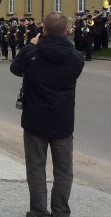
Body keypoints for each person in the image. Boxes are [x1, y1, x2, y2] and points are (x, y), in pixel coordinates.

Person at [10, 12, 84, 217]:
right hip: (63, 120)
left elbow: (15, 69)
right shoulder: (76, 57)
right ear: (66, 32)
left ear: (43, 31)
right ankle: (61, 211)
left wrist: (31, 46)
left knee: (36, 168)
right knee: (64, 170)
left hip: (35, 119)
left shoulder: (31, 53)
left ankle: (38, 211)